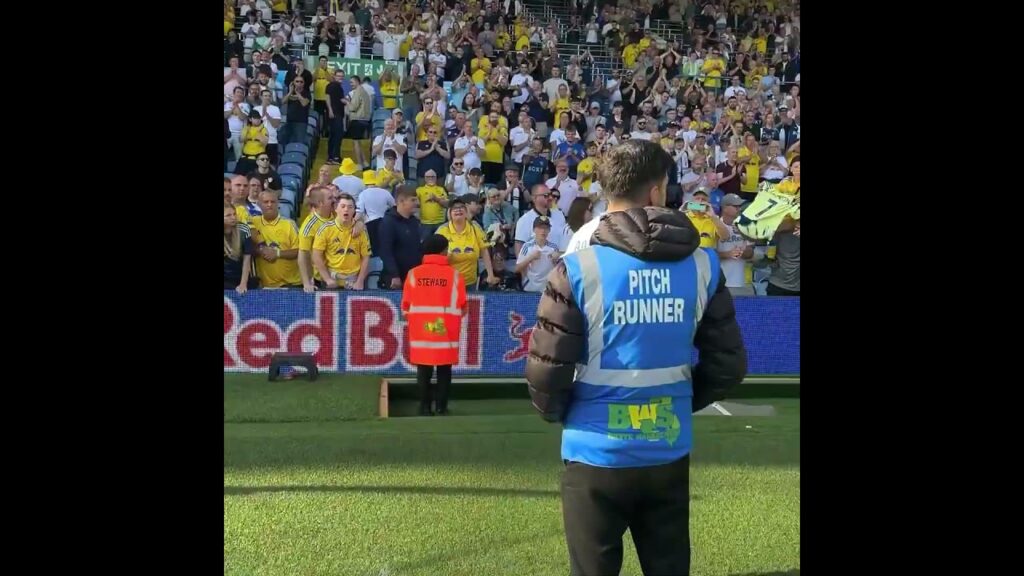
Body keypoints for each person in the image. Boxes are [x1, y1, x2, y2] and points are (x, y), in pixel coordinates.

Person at [526, 139, 747, 576]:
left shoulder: (577, 267)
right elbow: (728, 365)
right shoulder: (704, 265)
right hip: (667, 447)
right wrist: (680, 404)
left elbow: (546, 372)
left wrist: (565, 416)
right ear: (657, 191)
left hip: (593, 452)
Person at [401, 234, 467, 416]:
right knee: (445, 371)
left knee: (423, 371)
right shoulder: (455, 276)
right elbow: (463, 306)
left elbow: (405, 305)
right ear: (444, 250)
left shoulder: (413, 274)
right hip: (446, 333)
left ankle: (424, 408)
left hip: (421, 333)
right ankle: (441, 408)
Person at [437, 197, 499, 290]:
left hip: (470, 282)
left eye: (461, 207)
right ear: (449, 213)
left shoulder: (475, 228)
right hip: (448, 283)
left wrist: (490, 274)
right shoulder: (442, 231)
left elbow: (484, 251)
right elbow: (435, 256)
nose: (458, 210)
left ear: (466, 212)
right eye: (454, 208)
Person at [312, 193, 371, 290]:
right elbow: (316, 255)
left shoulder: (362, 231)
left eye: (350, 207)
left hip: (354, 281)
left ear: (354, 211)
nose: (346, 209)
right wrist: (327, 279)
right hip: (332, 280)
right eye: (343, 206)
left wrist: (360, 281)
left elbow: (366, 257)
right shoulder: (325, 229)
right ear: (336, 208)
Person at [250, 189, 302, 288]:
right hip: (264, 286)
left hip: (291, 284)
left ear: (278, 204)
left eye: (272, 202)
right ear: (259, 204)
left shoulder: (289, 224)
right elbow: (247, 248)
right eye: (266, 202)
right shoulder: (253, 223)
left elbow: (300, 251)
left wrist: (277, 253)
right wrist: (261, 251)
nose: (269, 204)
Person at [378, 187, 423, 289]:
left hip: (414, 278)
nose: (417, 203)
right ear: (401, 201)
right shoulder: (388, 222)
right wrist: (394, 275)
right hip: (395, 281)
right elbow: (385, 252)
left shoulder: (415, 222)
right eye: (413, 200)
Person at [515, 216, 561, 292]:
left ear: (549, 230)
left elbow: (559, 270)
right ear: (534, 230)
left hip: (547, 290)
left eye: (546, 228)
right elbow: (517, 269)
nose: (543, 231)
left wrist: (556, 261)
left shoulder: (554, 248)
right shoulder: (527, 246)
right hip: (530, 288)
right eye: (540, 228)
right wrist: (530, 258)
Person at [224, 202, 255, 294]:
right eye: (228, 215)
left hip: (240, 275)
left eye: (234, 214)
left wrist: (243, 284)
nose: (233, 217)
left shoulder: (244, 230)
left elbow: (247, 260)